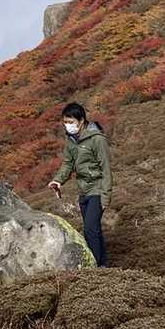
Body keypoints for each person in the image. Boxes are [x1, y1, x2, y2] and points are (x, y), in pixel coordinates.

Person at [48, 102, 112, 267]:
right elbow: (68, 163)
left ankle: (94, 267)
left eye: (71, 122)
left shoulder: (97, 139)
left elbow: (106, 169)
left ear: (82, 120)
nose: (67, 125)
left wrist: (106, 196)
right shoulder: (71, 140)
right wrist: (58, 180)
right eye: (65, 122)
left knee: (90, 229)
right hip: (83, 190)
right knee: (94, 229)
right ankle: (104, 265)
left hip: (97, 189)